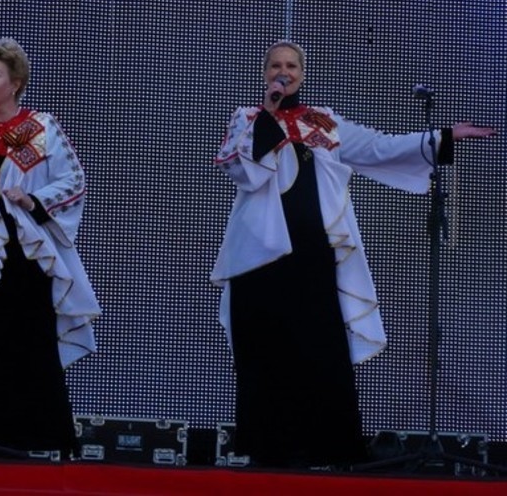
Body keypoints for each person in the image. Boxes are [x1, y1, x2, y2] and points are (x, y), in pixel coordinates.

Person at [210, 40, 496, 470]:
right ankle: (267, 451)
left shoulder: (324, 122)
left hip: (312, 253)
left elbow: (380, 147)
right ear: (265, 73)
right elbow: (240, 169)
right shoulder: (247, 119)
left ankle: (327, 449)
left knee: (320, 350)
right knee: (264, 352)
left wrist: (443, 137)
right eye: (275, 66)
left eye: (291, 66)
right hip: (259, 260)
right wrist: (269, 113)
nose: (283, 72)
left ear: (302, 74)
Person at [0, 37, 101, 458]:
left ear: (15, 83)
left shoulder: (41, 127)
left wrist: (33, 199)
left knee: (29, 341)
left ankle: (37, 440)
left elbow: (74, 180)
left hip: (27, 251)